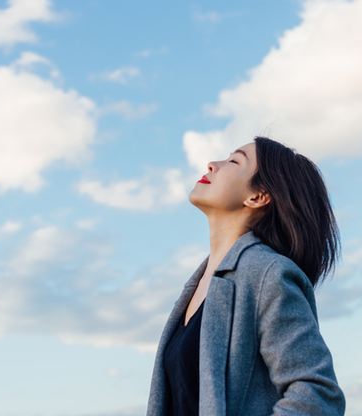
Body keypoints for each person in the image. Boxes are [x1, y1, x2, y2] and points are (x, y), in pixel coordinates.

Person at [146, 136, 346, 416]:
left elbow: (318, 392)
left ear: (257, 196)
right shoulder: (198, 285)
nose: (212, 164)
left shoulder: (268, 274)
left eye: (234, 161)